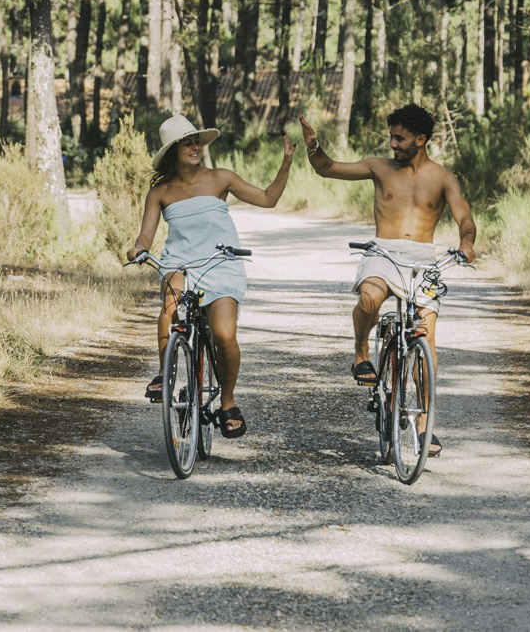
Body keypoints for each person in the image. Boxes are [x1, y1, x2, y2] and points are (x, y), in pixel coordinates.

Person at [299, 104, 476, 456]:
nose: (393, 144)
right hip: (384, 252)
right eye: (391, 137)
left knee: (427, 338)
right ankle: (361, 352)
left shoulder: (443, 177)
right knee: (369, 297)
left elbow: (464, 217)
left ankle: (424, 421)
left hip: (425, 259)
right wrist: (314, 147)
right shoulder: (378, 167)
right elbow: (327, 169)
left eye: (400, 138)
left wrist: (466, 243)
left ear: (421, 140)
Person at [128, 115, 294, 438]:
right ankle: (165, 374)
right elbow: (145, 236)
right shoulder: (160, 191)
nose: (195, 147)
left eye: (196, 141)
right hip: (180, 263)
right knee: (169, 305)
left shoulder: (220, 178)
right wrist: (138, 249)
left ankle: (228, 402)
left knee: (224, 335)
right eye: (187, 143)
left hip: (221, 262)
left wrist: (286, 161)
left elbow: (268, 198)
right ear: (173, 150)